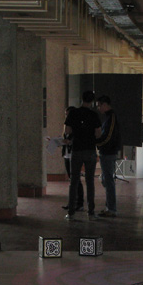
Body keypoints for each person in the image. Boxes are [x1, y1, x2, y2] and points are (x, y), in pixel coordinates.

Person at [63, 91, 101, 221]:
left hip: (77, 150)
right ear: (92, 101)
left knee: (74, 181)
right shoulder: (94, 115)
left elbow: (67, 130)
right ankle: (91, 211)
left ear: (81, 99)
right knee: (90, 182)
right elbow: (98, 133)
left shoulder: (73, 113)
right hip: (90, 150)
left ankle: (71, 212)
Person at [96, 95, 121, 218]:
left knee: (108, 181)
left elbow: (108, 137)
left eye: (99, 105)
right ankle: (109, 207)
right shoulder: (108, 117)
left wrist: (98, 143)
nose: (98, 108)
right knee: (106, 180)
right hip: (106, 152)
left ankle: (111, 208)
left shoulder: (111, 117)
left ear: (105, 104)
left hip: (108, 152)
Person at [61, 106, 83, 212]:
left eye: (68, 114)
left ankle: (79, 203)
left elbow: (77, 139)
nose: (66, 117)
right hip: (67, 154)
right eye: (65, 115)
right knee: (72, 179)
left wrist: (70, 142)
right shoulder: (66, 126)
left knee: (76, 180)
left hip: (74, 154)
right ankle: (72, 202)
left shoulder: (77, 126)